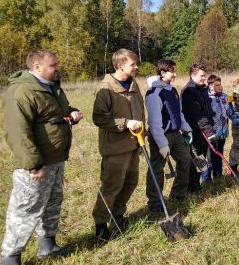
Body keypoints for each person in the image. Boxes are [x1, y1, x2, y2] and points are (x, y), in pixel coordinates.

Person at [0, 50, 84, 265]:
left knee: (52, 203)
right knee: (26, 209)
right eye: (53, 65)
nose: (58, 68)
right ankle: (10, 257)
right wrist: (34, 165)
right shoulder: (22, 92)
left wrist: (71, 114)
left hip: (56, 159)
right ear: (37, 67)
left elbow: (55, 114)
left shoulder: (51, 87)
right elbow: (17, 132)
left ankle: (47, 246)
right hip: (36, 165)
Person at [91, 49, 145, 241]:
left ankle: (118, 215)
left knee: (130, 183)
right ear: (120, 65)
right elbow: (99, 118)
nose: (136, 67)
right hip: (114, 148)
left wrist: (141, 138)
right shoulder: (106, 88)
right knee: (112, 186)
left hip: (133, 145)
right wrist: (125, 123)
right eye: (133, 64)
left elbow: (140, 112)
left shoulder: (134, 84)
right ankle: (100, 224)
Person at [145, 58, 194, 207]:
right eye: (172, 71)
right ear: (162, 72)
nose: (175, 74)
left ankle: (178, 194)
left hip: (176, 134)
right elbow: (154, 122)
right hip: (161, 135)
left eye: (175, 70)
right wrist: (161, 144)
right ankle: (155, 202)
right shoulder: (154, 93)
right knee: (157, 168)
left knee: (186, 159)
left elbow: (179, 113)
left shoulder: (172, 90)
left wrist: (187, 129)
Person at [204, 74, 239, 181]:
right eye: (217, 85)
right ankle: (206, 179)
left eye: (220, 84)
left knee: (219, 156)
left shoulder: (225, 97)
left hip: (222, 133)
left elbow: (231, 113)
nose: (220, 87)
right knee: (209, 157)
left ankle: (218, 176)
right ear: (210, 86)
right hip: (211, 134)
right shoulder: (205, 98)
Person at [181, 63, 216, 192]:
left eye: (204, 75)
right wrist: (208, 130)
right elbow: (197, 114)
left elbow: (207, 109)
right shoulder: (189, 91)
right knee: (196, 159)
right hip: (194, 132)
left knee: (202, 158)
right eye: (201, 76)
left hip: (203, 132)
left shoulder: (202, 89)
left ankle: (199, 184)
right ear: (193, 75)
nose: (204, 78)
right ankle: (193, 188)